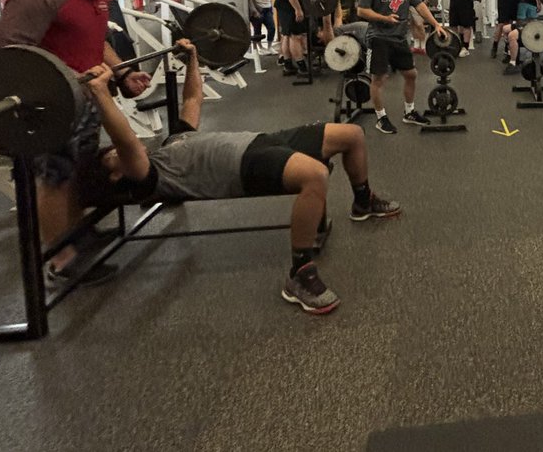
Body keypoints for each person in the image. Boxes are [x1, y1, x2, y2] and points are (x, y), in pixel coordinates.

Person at [82, 39, 400, 315]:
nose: (115, 150)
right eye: (110, 154)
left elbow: (193, 99)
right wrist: (101, 94)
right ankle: (299, 274)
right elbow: (124, 139)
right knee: (315, 174)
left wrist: (191, 59)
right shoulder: (146, 176)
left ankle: (362, 201)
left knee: (352, 134)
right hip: (242, 167)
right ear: (114, 175)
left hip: (262, 140)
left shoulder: (171, 143)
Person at [0, 0, 152, 287]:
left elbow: (96, 43)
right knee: (56, 177)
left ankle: (77, 236)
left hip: (86, 102)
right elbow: (6, 53)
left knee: (79, 171)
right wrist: (67, 78)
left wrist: (123, 73)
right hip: (50, 107)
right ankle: (60, 261)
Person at [356, 0, 450, 134]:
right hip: (378, 37)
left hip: (399, 37)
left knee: (411, 74)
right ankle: (381, 117)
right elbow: (361, 10)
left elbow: (419, 5)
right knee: (379, 78)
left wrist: (436, 24)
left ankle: (409, 112)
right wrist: (384, 18)